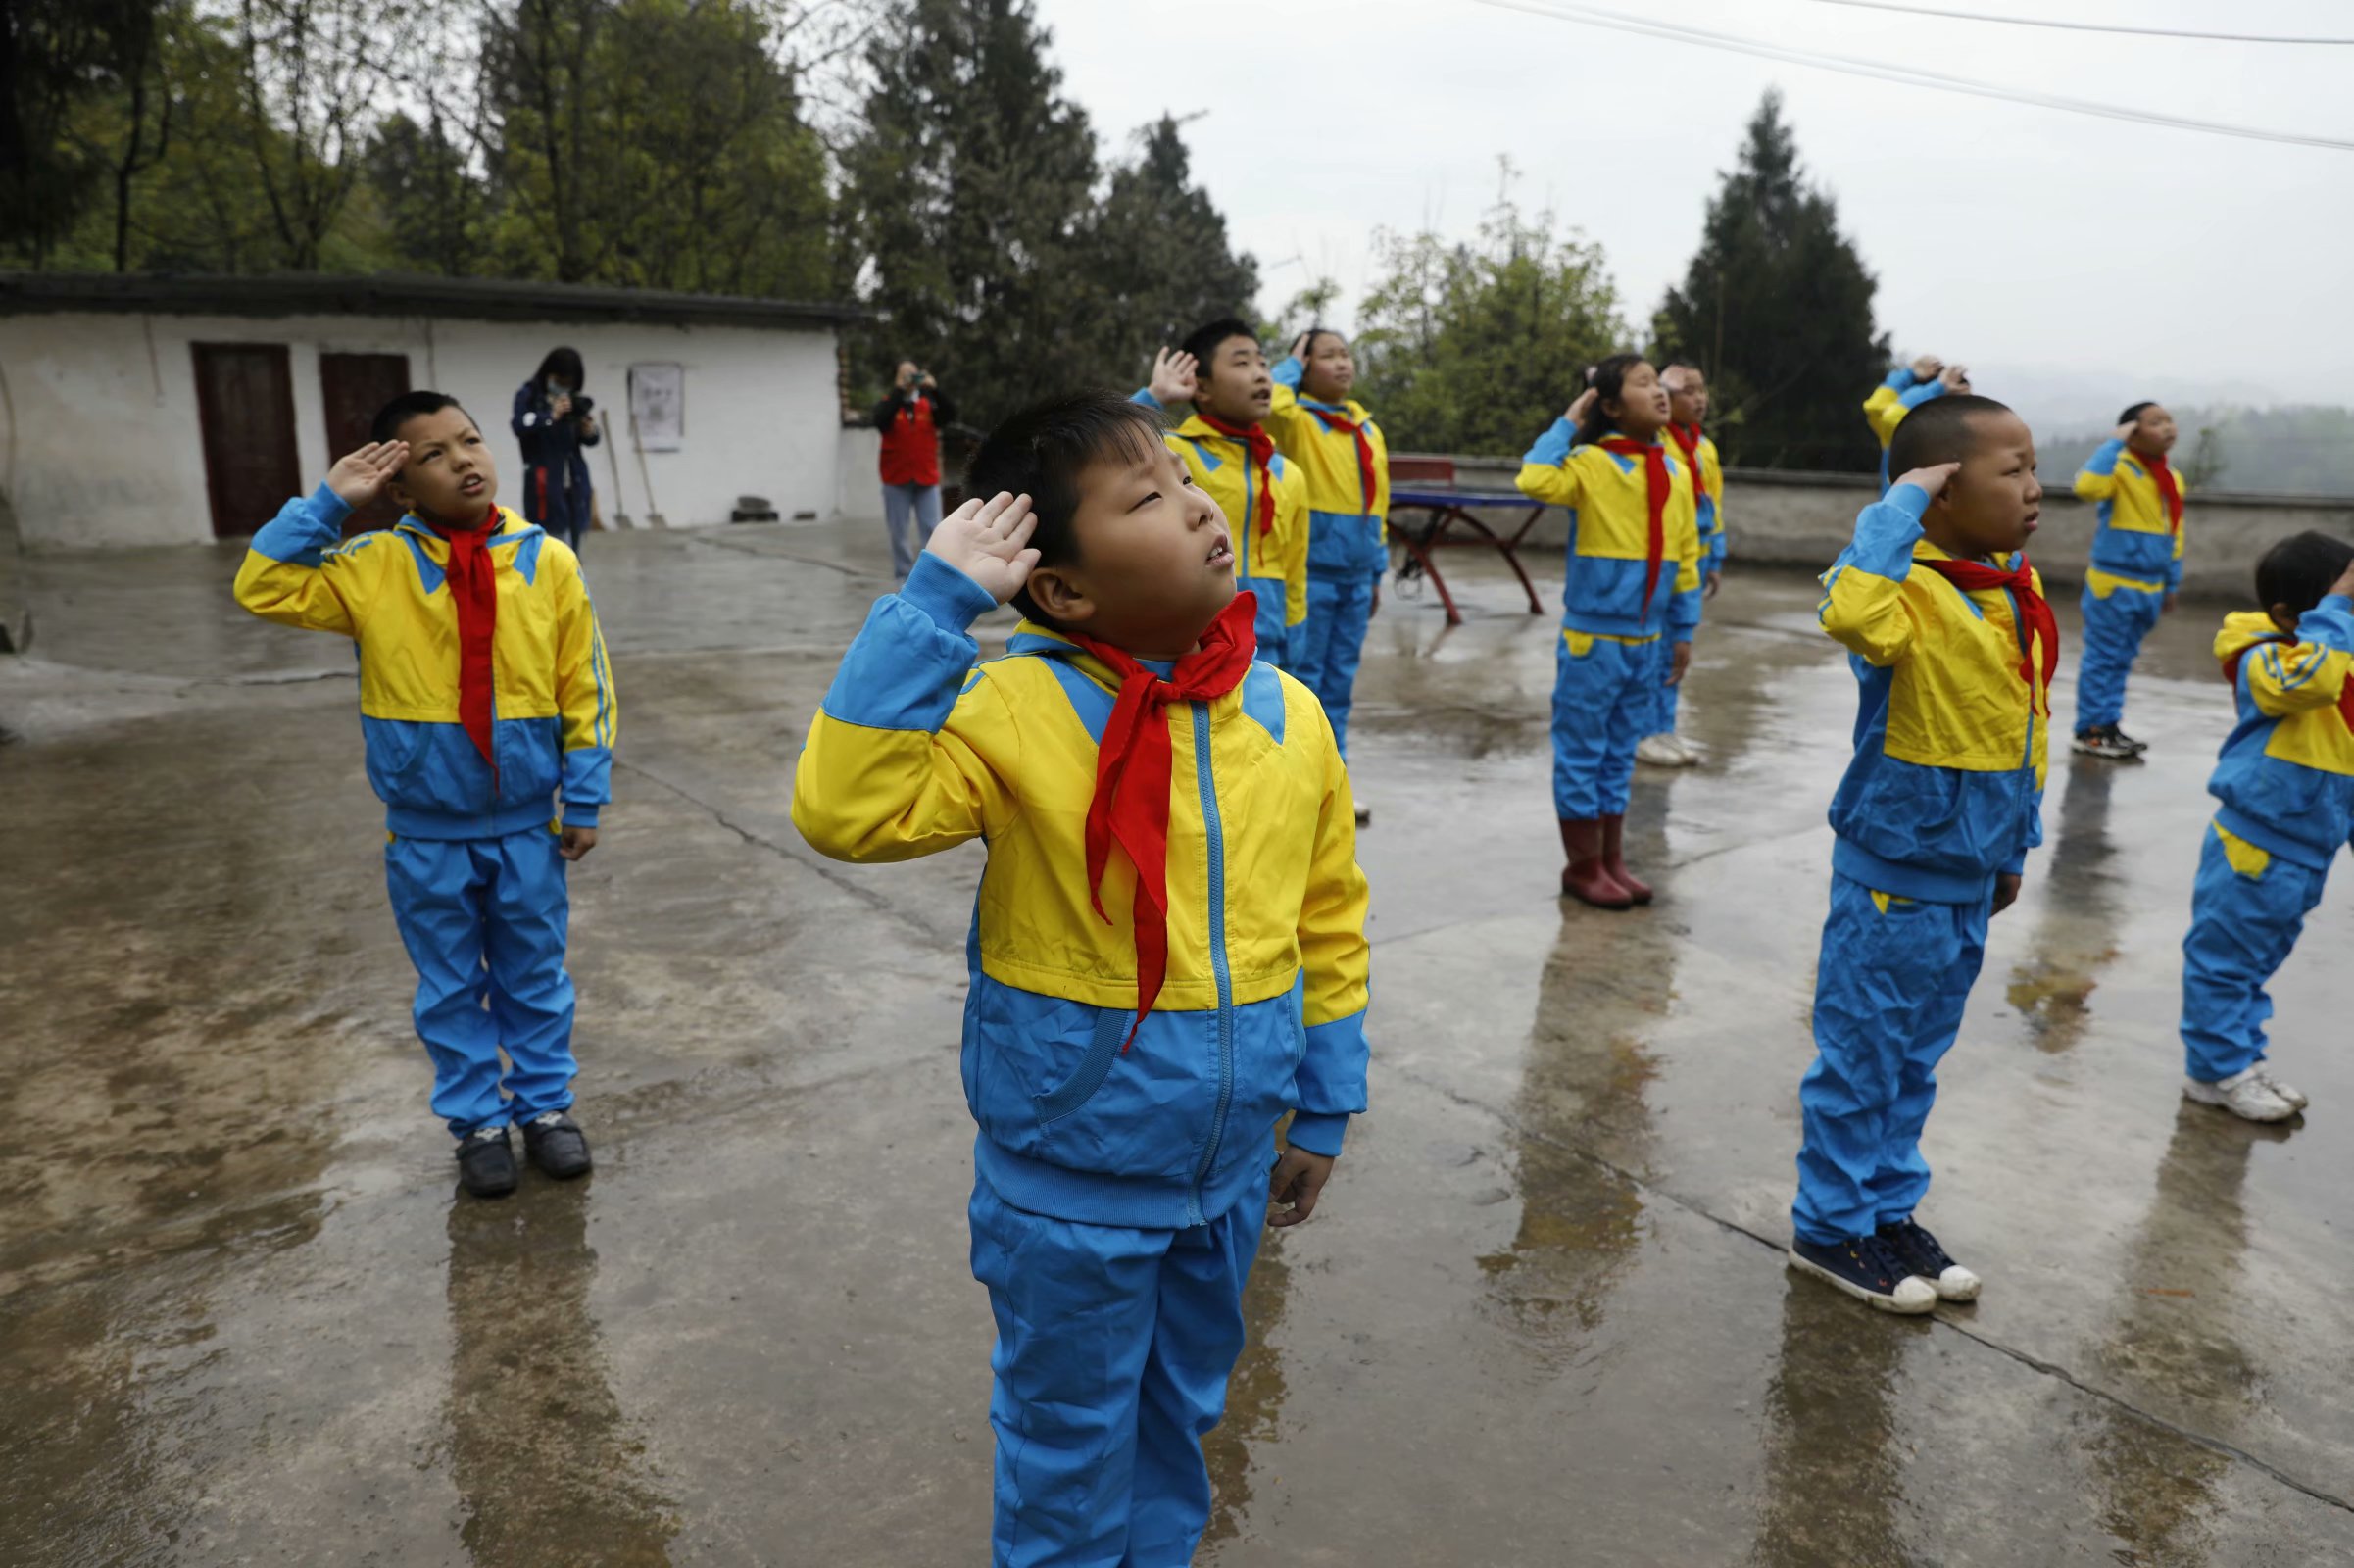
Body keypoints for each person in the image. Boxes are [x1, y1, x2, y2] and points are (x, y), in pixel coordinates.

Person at [791, 390, 1370, 1566]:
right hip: (1070, 1179)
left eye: (1185, 480)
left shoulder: (1288, 713)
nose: (1199, 504)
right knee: (1066, 1444)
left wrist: (1321, 1096)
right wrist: (933, 608)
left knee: (1177, 1421)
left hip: (1224, 1175)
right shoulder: (1012, 706)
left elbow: (1326, 918)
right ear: (1058, 588)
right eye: (1148, 498)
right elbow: (844, 809)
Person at [234, 391, 616, 1198]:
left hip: (527, 827)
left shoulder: (548, 562)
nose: (464, 460)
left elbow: (584, 684)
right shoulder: (371, 568)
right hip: (426, 830)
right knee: (450, 984)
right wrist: (330, 504)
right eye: (433, 455)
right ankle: (477, 1122)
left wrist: (582, 795)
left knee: (534, 975)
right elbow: (262, 584)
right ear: (400, 489)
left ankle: (545, 1110)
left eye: (470, 440)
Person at [1789, 393, 2052, 1313]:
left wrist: (2017, 841)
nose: (2033, 488)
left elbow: (2022, 728)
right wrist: (1895, 505)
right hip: (1895, 881)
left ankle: (1887, 1211)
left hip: (1971, 874)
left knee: (1914, 1062)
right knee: (1862, 1058)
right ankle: (1828, 1227)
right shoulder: (1904, 591)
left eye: (2032, 466)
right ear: (1941, 495)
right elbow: (1848, 612)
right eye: (2010, 471)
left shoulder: (2010, 591)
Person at [2176, 531, 2354, 1123]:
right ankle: (2213, 1072)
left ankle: (2239, 1060)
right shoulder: (2266, 659)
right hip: (2253, 848)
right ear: (2289, 614)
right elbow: (2313, 682)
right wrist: (2337, 612)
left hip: (2307, 853)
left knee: (2255, 965)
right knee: (2224, 962)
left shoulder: (2336, 662)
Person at [1513, 355, 1702, 908]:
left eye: (1659, 383)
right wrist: (1571, 422)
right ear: (1612, 405)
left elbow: (1686, 556)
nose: (1660, 391)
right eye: (1644, 384)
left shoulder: (1676, 471)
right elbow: (1534, 477)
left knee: (1621, 752)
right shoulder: (1591, 465)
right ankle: (1583, 865)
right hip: (1593, 640)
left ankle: (1612, 858)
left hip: (1648, 640)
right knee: (1582, 751)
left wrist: (1683, 629)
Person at [1131, 322, 1310, 669]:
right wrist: (1154, 397)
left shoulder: (1288, 473)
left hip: (1268, 643)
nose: (1261, 375)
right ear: (1203, 387)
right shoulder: (1174, 453)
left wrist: (1297, 638)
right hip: (1190, 640)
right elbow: (1096, 453)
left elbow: (1295, 567)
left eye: (1262, 363)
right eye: (1242, 363)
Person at [1266, 328, 1388, 819]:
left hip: (1357, 577)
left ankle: (1330, 782)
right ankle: (1294, 783)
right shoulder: (1296, 422)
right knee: (1305, 683)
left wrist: (1378, 570)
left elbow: (1379, 505)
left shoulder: (1368, 430)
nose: (1342, 364)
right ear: (1305, 365)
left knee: (1339, 684)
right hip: (1313, 574)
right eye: (1328, 356)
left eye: (1346, 354)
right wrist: (1289, 366)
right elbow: (1271, 406)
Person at [2070, 402, 2186, 760]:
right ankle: (2089, 731)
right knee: (2104, 658)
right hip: (2114, 584)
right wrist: (2113, 443)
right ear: (2132, 432)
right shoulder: (2118, 468)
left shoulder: (2171, 477)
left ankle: (2108, 726)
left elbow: (2175, 534)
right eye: (2155, 423)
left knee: (2121, 660)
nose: (2167, 428)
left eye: (2168, 420)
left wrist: (2171, 583)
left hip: (2149, 588)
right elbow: (2087, 487)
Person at [1637, 362, 1726, 768]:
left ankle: (1663, 726)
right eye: (1689, 390)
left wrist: (1716, 557)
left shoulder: (1703, 448)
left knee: (1678, 647)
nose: (1700, 398)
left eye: (1702, 389)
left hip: (1695, 554)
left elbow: (1715, 507)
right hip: (1665, 557)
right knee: (1655, 648)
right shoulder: (1657, 444)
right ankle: (1643, 731)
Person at [873, 359, 957, 581]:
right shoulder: (888, 404)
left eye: (913, 374)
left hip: (926, 477)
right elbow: (880, 421)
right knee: (898, 532)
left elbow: (950, 414)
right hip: (896, 479)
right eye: (905, 375)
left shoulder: (928, 404)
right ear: (896, 379)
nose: (910, 379)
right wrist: (899, 391)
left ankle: (933, 577)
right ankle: (903, 577)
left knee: (933, 529)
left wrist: (934, 389)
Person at [512, 347, 601, 552]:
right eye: (560, 381)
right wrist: (550, 416)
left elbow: (592, 439)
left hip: (575, 484)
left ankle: (572, 583)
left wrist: (588, 430)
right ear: (548, 374)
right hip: (545, 484)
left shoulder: (572, 400)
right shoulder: (529, 396)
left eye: (569, 384)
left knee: (574, 550)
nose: (563, 387)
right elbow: (519, 425)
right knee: (550, 548)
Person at [1862, 354, 1969, 493]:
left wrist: (1934, 387)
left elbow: (1885, 413)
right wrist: (1911, 374)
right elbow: (1880, 410)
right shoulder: (1910, 435)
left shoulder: (1897, 437)